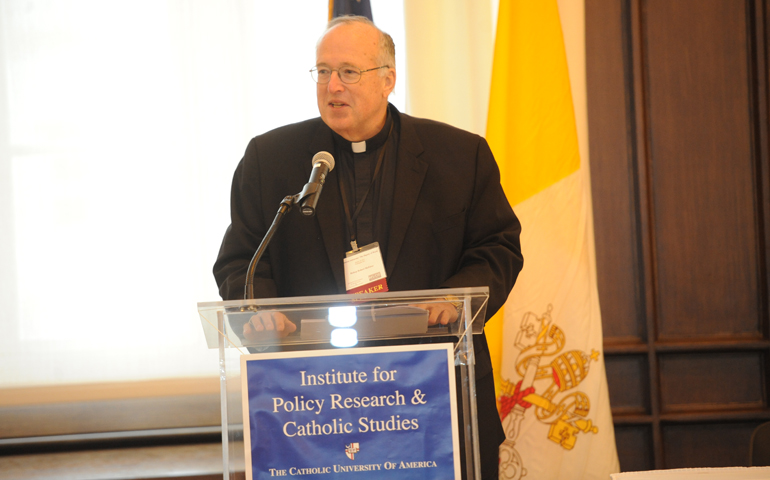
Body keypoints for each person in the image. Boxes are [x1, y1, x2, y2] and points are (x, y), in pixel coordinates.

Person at [213, 15, 523, 479]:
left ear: (387, 80)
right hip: (314, 405)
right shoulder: (270, 158)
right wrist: (259, 307)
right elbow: (241, 258)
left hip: (431, 397)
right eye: (322, 71)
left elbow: (497, 247)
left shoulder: (458, 154)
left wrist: (454, 298)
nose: (332, 85)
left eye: (348, 72)